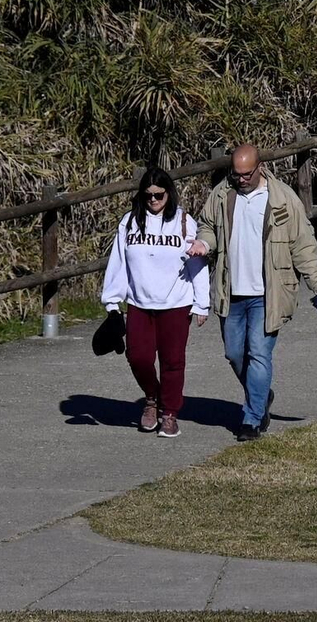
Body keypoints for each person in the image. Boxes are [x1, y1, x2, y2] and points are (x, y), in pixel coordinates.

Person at [186, 144, 317, 442]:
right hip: (231, 291)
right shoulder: (222, 195)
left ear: (260, 167)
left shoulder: (282, 199)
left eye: (246, 174)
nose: (240, 179)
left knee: (260, 355)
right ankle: (261, 393)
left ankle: (251, 419)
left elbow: (303, 245)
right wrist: (204, 243)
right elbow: (208, 226)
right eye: (236, 174)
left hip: (269, 294)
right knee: (234, 354)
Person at [100, 167, 211, 438]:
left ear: (168, 194)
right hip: (140, 302)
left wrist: (202, 303)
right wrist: (112, 302)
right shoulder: (129, 222)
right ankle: (152, 399)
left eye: (159, 195)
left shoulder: (184, 221)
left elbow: (197, 263)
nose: (153, 201)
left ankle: (170, 413)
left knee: (173, 361)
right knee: (138, 357)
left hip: (176, 302)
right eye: (148, 195)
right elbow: (119, 262)